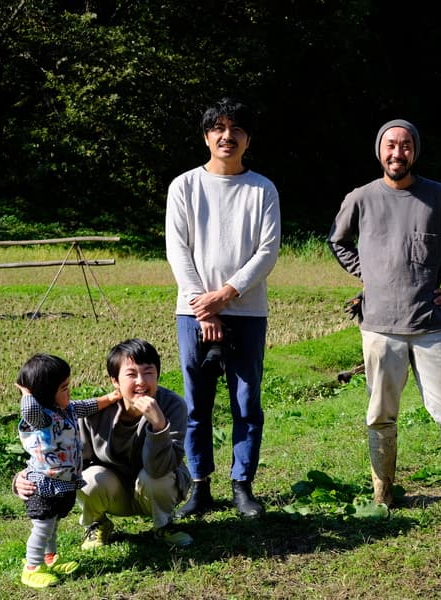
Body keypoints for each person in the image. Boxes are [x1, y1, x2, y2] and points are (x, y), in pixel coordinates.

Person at [328, 118, 441, 509]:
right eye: (390, 145)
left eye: (405, 146)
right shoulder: (361, 198)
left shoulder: (438, 196)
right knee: (381, 412)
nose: (397, 153)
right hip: (381, 326)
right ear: (379, 150)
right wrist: (367, 273)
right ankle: (382, 492)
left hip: (432, 323)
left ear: (414, 151)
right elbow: (338, 240)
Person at [166, 97, 281, 519]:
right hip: (192, 311)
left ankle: (242, 485)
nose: (226, 136)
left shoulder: (262, 189)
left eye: (235, 129)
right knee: (196, 404)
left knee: (246, 403)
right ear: (206, 135)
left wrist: (225, 295)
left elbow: (267, 251)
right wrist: (205, 307)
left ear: (247, 139)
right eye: (218, 128)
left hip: (247, 311)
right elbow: (177, 249)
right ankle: (199, 486)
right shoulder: (184, 186)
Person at [14, 339, 194, 550]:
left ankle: (164, 524)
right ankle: (98, 523)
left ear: (157, 374)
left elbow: (160, 467)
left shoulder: (172, 406)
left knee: (156, 477)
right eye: (131, 374)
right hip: (113, 488)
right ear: (115, 381)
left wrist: (159, 426)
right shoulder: (95, 412)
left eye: (148, 372)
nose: (141, 382)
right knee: (88, 479)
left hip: (153, 487)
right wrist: (24, 477)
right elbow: (66, 458)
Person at [16, 353, 120, 588]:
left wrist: (111, 397)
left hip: (62, 481)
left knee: (52, 525)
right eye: (63, 388)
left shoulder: (68, 410)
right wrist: (26, 391)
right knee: (42, 527)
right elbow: (29, 408)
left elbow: (89, 405)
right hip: (43, 483)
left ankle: (49, 559)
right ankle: (31, 568)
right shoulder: (40, 418)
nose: (69, 392)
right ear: (43, 393)